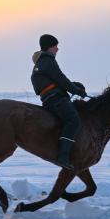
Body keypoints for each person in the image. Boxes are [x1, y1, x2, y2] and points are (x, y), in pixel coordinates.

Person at [30, 34, 87, 171]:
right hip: (56, 98)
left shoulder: (41, 62)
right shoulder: (48, 60)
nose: (57, 49)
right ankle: (63, 156)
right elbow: (61, 79)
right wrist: (77, 91)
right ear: (49, 47)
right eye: (55, 46)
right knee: (73, 120)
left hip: (50, 98)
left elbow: (57, 80)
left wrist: (74, 86)